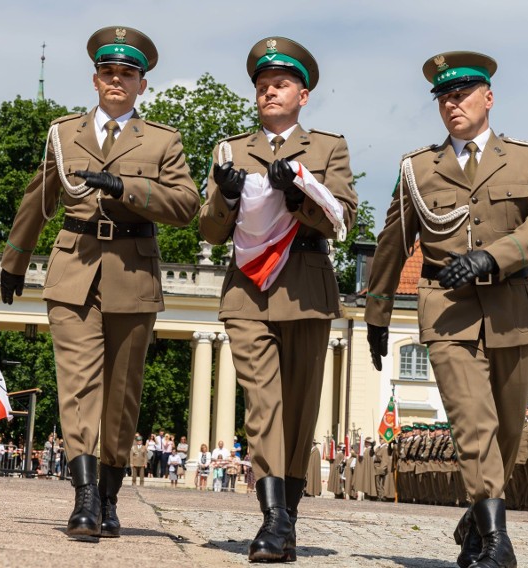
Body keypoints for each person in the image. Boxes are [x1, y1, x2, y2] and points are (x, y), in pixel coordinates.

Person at [364, 51, 528, 568]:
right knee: (473, 425)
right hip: (447, 312)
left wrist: (490, 257)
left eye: (462, 94)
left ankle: (476, 518)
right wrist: (377, 315)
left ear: (488, 98)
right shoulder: (417, 168)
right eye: (444, 97)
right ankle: (499, 544)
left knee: (508, 430)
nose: (452, 104)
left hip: (511, 310)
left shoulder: (527, 158)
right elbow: (391, 245)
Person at [0, 26, 198, 539]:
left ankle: (109, 494)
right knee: (78, 384)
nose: (117, 81)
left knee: (122, 394)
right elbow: (38, 196)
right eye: (108, 73)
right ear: (95, 79)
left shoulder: (162, 140)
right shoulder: (64, 134)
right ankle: (84, 496)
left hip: (133, 270)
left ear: (141, 84)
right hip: (74, 267)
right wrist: (15, 258)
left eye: (127, 74)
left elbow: (186, 205)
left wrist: (127, 187)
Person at [199, 36, 356, 563]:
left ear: (303, 95)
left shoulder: (329, 148)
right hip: (247, 289)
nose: (270, 92)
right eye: (263, 86)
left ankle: (286, 515)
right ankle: (271, 519)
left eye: (281, 84)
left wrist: (298, 194)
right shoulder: (230, 151)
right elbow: (209, 230)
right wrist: (223, 194)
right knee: (262, 404)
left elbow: (343, 218)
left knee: (300, 408)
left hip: (306, 286)